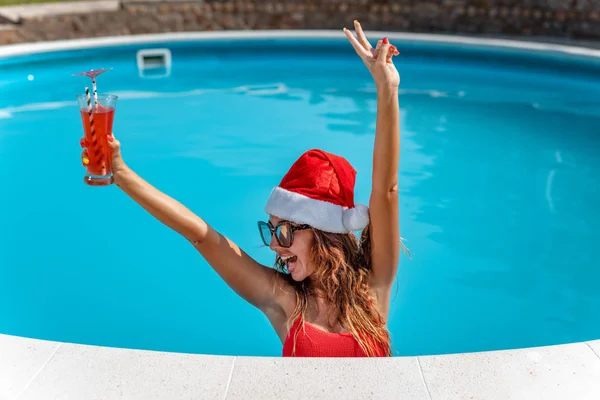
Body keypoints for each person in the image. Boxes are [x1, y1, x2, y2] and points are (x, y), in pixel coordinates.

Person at [85, 21, 404, 357]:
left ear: (323, 230)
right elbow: (203, 236)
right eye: (271, 231)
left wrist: (387, 90)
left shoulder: (373, 286)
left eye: (283, 232)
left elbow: (387, 191)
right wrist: (121, 174)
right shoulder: (283, 299)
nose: (275, 246)